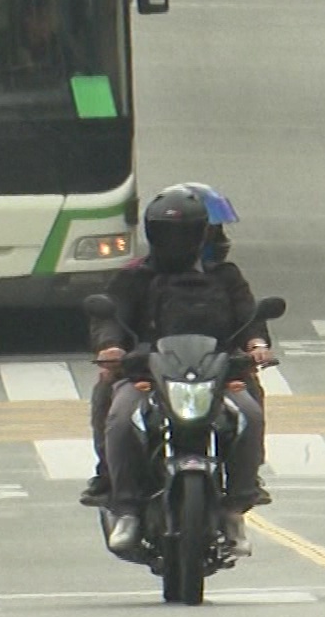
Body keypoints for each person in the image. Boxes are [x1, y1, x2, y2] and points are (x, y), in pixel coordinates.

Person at [90, 186, 274, 558]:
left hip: (217, 373)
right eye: (169, 232)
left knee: (249, 413)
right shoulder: (134, 277)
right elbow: (109, 316)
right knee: (120, 417)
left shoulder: (226, 277)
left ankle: (237, 504)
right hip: (147, 373)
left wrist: (256, 346)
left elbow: (249, 317)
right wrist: (112, 350)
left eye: (188, 232)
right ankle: (122, 503)